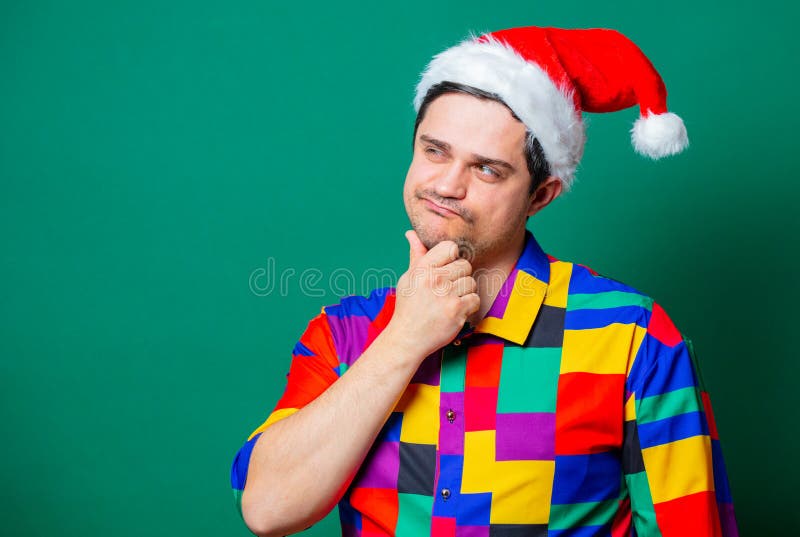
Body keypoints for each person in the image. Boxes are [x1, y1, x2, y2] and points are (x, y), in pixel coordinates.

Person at [230, 26, 738, 537]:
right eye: (434, 151)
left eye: (488, 171)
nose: (447, 185)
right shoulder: (344, 333)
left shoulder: (633, 337)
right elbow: (267, 509)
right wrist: (404, 341)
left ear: (541, 195)